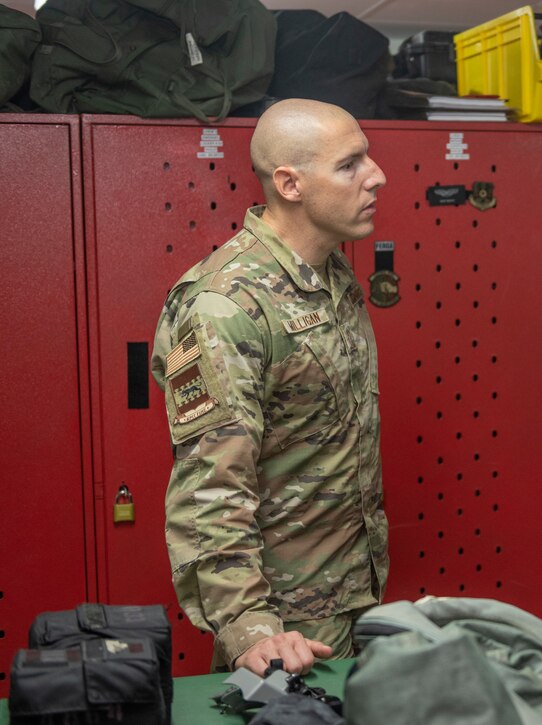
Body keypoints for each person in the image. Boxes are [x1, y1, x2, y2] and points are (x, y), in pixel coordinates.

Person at [151, 99, 388, 674]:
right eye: (350, 164)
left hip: (352, 597)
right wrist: (250, 629)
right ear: (290, 183)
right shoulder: (225, 307)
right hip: (284, 634)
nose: (377, 175)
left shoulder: (331, 274)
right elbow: (212, 489)